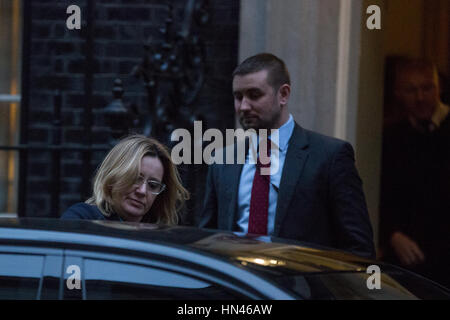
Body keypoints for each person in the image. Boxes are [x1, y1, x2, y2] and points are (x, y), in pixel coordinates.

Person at [199, 53, 375, 259]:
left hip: (301, 289)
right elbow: (208, 240)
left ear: (283, 94)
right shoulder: (222, 161)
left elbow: (359, 249)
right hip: (239, 287)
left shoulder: (330, 156)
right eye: (238, 97)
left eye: (254, 95)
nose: (244, 106)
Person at [380, 58, 450, 287]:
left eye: (427, 88)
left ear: (439, 87)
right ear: (398, 93)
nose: (420, 97)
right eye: (411, 90)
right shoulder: (390, 138)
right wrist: (392, 234)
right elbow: (379, 192)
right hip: (407, 262)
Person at [61, 135, 189, 224]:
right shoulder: (82, 218)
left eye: (153, 185)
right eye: (135, 178)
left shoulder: (161, 237)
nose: (142, 191)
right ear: (114, 177)